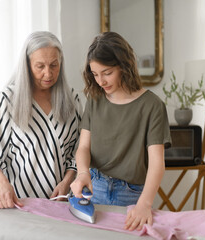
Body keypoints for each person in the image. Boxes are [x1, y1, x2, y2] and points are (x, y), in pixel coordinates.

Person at [70, 32, 171, 231]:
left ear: (124, 66)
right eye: (95, 74)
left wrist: (145, 204)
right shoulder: (95, 100)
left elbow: (157, 163)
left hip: (132, 194)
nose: (100, 81)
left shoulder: (152, 106)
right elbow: (83, 147)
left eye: (107, 73)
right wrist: (82, 173)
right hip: (94, 186)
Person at [0, 31, 82, 209]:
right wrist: (1, 184)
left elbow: (78, 152)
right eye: (40, 66)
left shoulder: (72, 100)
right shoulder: (9, 99)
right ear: (27, 65)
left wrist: (67, 181)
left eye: (54, 65)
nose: (48, 73)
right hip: (20, 204)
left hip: (62, 204)